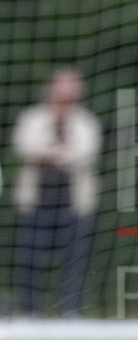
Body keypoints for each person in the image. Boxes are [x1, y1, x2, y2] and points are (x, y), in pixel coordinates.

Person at [12, 66, 102, 318]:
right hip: (36, 202)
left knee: (74, 259)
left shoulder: (85, 120)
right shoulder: (33, 117)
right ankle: (30, 311)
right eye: (63, 86)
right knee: (30, 258)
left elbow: (87, 153)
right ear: (52, 88)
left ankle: (70, 311)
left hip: (74, 203)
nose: (67, 93)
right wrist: (59, 151)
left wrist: (51, 154)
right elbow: (25, 146)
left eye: (73, 87)